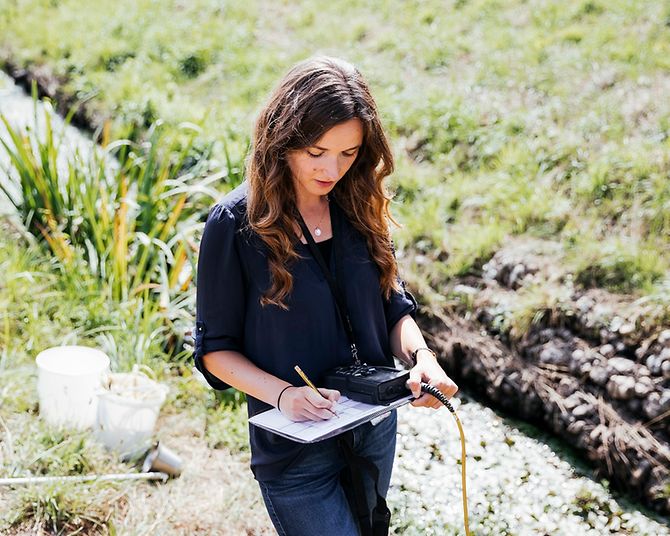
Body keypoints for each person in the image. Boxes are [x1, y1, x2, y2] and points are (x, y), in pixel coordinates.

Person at [194, 55, 458, 536]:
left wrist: (422, 357)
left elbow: (392, 306)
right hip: (296, 451)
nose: (332, 169)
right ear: (282, 138)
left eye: (349, 153)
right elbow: (215, 351)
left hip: (375, 428)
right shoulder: (234, 224)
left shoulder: (359, 203)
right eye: (316, 152)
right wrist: (284, 395)